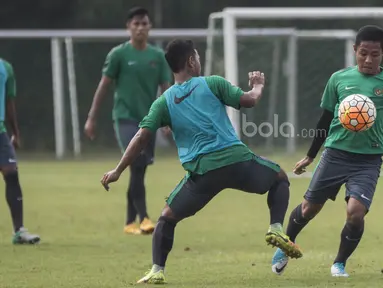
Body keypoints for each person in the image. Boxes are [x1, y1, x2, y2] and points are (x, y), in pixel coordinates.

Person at [100, 39, 303, 284]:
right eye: (197, 57)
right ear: (191, 61)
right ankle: (276, 228)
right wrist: (258, 85)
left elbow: (141, 136)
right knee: (279, 177)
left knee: (166, 218)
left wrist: (118, 170)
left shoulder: (163, 101)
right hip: (236, 161)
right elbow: (249, 100)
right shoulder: (212, 83)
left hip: (202, 173)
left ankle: (157, 269)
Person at [271, 25, 383, 278]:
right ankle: (285, 243)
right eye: (363, 52)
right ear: (355, 50)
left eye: (375, 54)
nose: (368, 59)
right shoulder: (339, 79)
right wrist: (310, 155)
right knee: (310, 208)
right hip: (335, 154)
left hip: (369, 160)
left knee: (356, 213)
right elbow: (325, 120)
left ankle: (339, 263)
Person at [84, 7, 172, 235]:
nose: (140, 28)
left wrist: (168, 120)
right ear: (128, 27)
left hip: (149, 119)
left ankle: (129, 222)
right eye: (136, 24)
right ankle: (144, 218)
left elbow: (166, 90)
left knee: (138, 170)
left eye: (144, 23)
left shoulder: (158, 57)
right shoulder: (118, 55)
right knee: (138, 162)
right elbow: (103, 86)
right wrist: (92, 117)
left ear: (150, 27)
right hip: (124, 118)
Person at [0, 58, 40, 244]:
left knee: (11, 174)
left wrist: (15, 131)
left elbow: (9, 100)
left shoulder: (6, 67)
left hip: (0, 131)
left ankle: (19, 231)